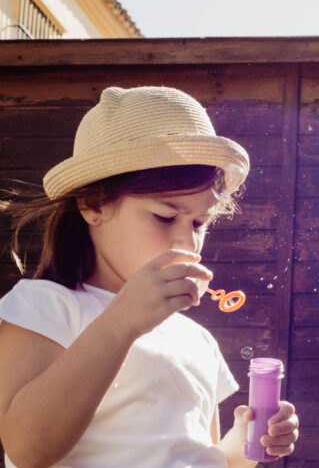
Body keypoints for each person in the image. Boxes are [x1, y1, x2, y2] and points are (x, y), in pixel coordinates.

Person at [0, 86, 300, 468]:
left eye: (199, 222)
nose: (186, 240)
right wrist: (121, 322)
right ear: (93, 205)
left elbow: (201, 456)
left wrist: (247, 439)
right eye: (164, 216)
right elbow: (28, 448)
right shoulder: (44, 304)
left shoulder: (197, 339)